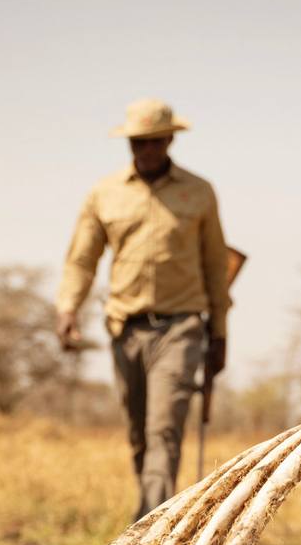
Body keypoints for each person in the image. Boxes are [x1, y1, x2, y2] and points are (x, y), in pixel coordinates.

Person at [56, 97, 231, 519]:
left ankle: (151, 519)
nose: (147, 149)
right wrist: (68, 309)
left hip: (181, 327)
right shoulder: (104, 193)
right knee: (138, 433)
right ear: (129, 143)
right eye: (139, 141)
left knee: (164, 427)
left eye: (155, 140)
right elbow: (82, 259)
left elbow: (215, 263)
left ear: (170, 139)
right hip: (126, 327)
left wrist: (219, 331)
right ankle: (152, 509)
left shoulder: (199, 191)